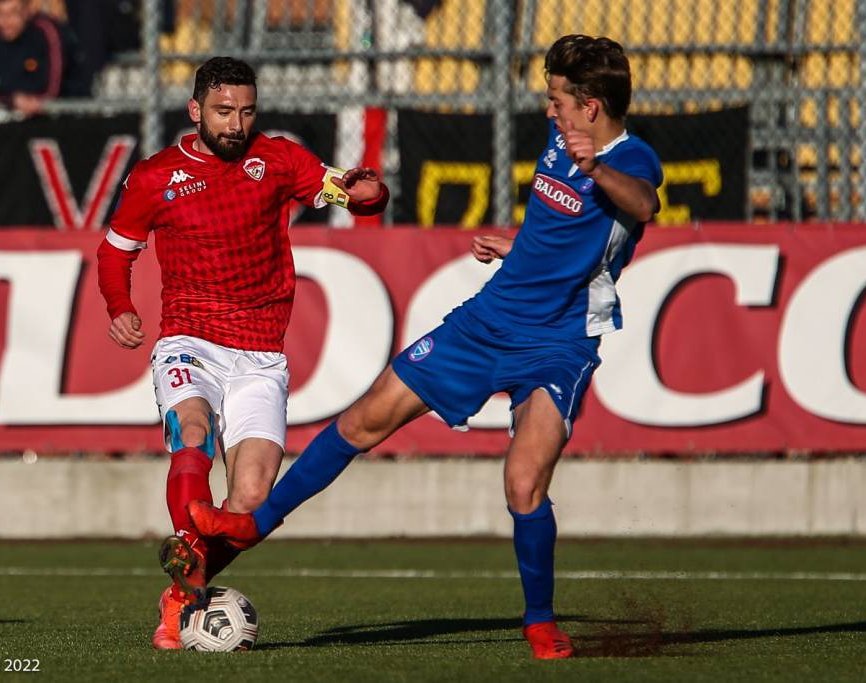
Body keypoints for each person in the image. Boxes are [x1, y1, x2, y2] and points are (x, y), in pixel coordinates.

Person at [188, 35, 663, 660]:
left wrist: (596, 166)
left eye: (558, 101)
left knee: (523, 485)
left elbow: (644, 205)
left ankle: (540, 622)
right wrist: (515, 246)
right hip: (486, 323)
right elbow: (565, 232)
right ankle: (253, 525)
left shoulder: (633, 160)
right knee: (362, 420)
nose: (550, 111)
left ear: (591, 107)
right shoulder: (558, 142)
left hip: (558, 344)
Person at [95, 56, 389, 650]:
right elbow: (113, 252)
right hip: (189, 339)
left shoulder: (277, 159)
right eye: (224, 111)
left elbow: (356, 196)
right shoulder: (155, 177)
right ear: (196, 110)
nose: (236, 124)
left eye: (246, 111)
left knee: (251, 501)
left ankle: (182, 588)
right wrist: (119, 306)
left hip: (259, 354)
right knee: (194, 433)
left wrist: (366, 192)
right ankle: (190, 541)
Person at [0, 0, 85, 116]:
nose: (5, 21)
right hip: (8, 115)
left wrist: (11, 96)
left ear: (27, 12)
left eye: (13, 13)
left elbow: (52, 90)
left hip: (63, 115)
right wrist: (11, 99)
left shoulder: (47, 31)